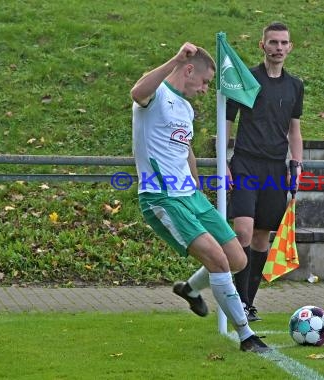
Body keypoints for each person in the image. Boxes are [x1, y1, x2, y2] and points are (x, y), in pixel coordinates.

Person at [131, 42, 270, 353]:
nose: (207, 90)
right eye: (206, 82)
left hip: (190, 196)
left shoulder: (186, 108)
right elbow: (137, 92)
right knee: (218, 262)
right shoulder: (156, 96)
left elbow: (185, 149)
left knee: (238, 258)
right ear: (189, 70)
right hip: (163, 197)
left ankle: (190, 290)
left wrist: (196, 184)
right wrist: (176, 59)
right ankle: (247, 337)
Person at [226, 22, 304, 322]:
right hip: (245, 163)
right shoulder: (246, 80)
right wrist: (225, 163)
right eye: (273, 42)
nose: (278, 48)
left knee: (261, 237)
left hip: (275, 168)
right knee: (242, 231)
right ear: (262, 46)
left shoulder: (295, 86)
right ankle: (238, 301)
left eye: (284, 43)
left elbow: (294, 131)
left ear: (290, 47)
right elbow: (227, 123)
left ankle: (247, 303)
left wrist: (295, 163)